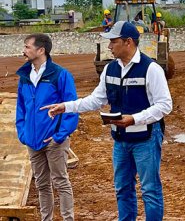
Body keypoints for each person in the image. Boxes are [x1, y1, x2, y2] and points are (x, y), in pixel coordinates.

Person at [41, 21, 172, 221]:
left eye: (113, 41)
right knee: (122, 188)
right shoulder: (110, 69)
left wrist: (134, 119)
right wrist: (66, 106)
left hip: (145, 139)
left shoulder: (151, 69)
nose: (109, 46)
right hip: (120, 140)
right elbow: (96, 99)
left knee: (150, 191)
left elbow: (164, 105)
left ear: (128, 42)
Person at [15, 33, 79, 221]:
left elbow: (71, 107)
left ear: (40, 50)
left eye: (27, 47)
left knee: (61, 182)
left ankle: (68, 219)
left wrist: (59, 136)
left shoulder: (60, 74)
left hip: (54, 141)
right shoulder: (25, 76)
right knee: (42, 184)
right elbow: (21, 107)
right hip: (33, 141)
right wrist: (23, 133)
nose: (24, 50)